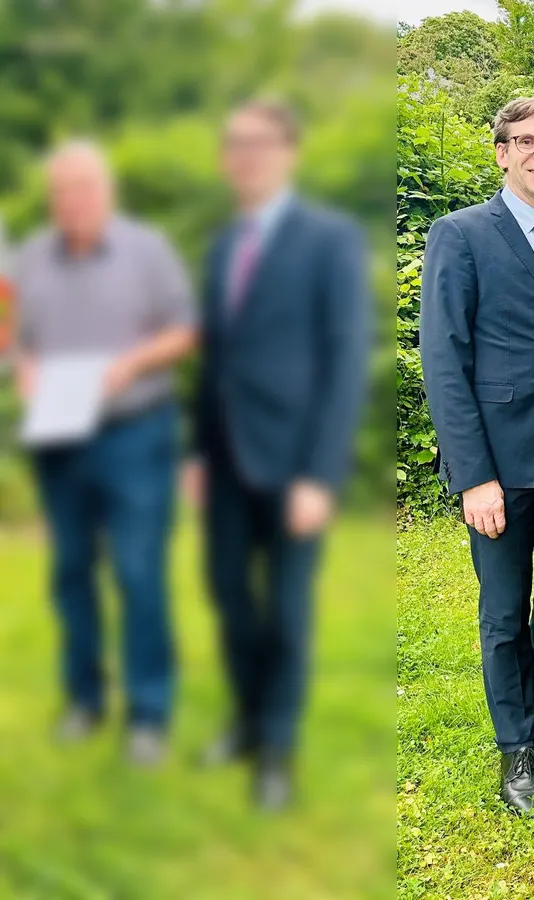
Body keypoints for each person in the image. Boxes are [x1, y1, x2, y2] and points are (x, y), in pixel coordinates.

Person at [420, 97, 534, 815]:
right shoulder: (460, 235)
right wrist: (473, 476)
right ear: (501, 152)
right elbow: (445, 361)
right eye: (527, 141)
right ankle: (515, 748)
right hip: (497, 465)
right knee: (506, 611)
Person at [193, 100, 371, 810]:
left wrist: (320, 474)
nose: (247, 157)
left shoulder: (327, 240)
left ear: (289, 153)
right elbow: (213, 361)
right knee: (230, 598)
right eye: (235, 144)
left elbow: (344, 360)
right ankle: (242, 720)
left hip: (295, 464)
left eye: (261, 144)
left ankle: (275, 750)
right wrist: (196, 453)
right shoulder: (220, 244)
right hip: (226, 461)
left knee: (287, 609)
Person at [12, 141, 196, 766]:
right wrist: (27, 371)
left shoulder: (147, 252)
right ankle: (85, 700)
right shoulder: (31, 259)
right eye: (62, 191)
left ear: (106, 191)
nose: (74, 201)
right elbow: (17, 341)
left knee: (138, 572)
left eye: (85, 188)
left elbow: (183, 331)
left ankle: (148, 713)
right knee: (70, 572)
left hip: (134, 432)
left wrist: (130, 364)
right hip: (61, 435)